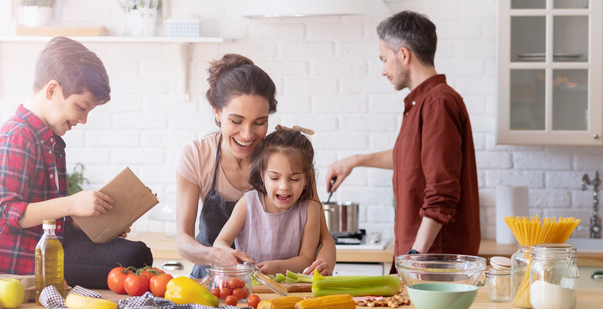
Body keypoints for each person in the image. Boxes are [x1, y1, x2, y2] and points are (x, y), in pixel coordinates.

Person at [0, 36, 152, 289]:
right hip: (19, 268)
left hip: (50, 251)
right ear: (52, 90)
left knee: (135, 254)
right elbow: (3, 212)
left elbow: (44, 217)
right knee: (133, 257)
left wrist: (85, 221)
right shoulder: (16, 138)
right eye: (80, 108)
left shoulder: (46, 139)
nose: (84, 120)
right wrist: (71, 204)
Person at [325, 11, 480, 262]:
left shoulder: (437, 103)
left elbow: (442, 190)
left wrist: (415, 254)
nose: (383, 70)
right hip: (422, 259)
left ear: (404, 55)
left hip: (433, 261)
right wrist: (354, 161)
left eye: (384, 59)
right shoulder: (425, 102)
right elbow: (411, 158)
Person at [175, 54, 336, 278]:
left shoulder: (285, 160)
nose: (247, 134)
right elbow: (183, 241)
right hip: (210, 280)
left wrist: (323, 265)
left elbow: (324, 238)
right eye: (236, 121)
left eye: (260, 122)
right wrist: (216, 255)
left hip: (272, 285)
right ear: (217, 112)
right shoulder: (196, 156)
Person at [213, 125, 322, 275]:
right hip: (249, 289)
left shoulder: (310, 209)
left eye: (294, 179)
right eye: (274, 177)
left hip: (290, 292)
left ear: (306, 179)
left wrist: (277, 267)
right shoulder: (247, 204)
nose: (284, 186)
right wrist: (230, 255)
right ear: (262, 175)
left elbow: (306, 259)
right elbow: (220, 242)